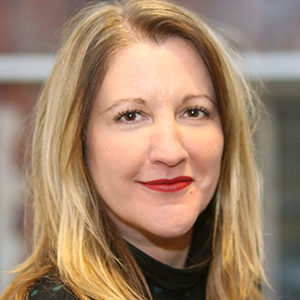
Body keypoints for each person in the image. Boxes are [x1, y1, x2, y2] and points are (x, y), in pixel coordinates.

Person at [1, 0, 266, 299]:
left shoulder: (235, 289)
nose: (170, 151)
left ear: (226, 133)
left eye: (193, 111)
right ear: (78, 144)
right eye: (130, 116)